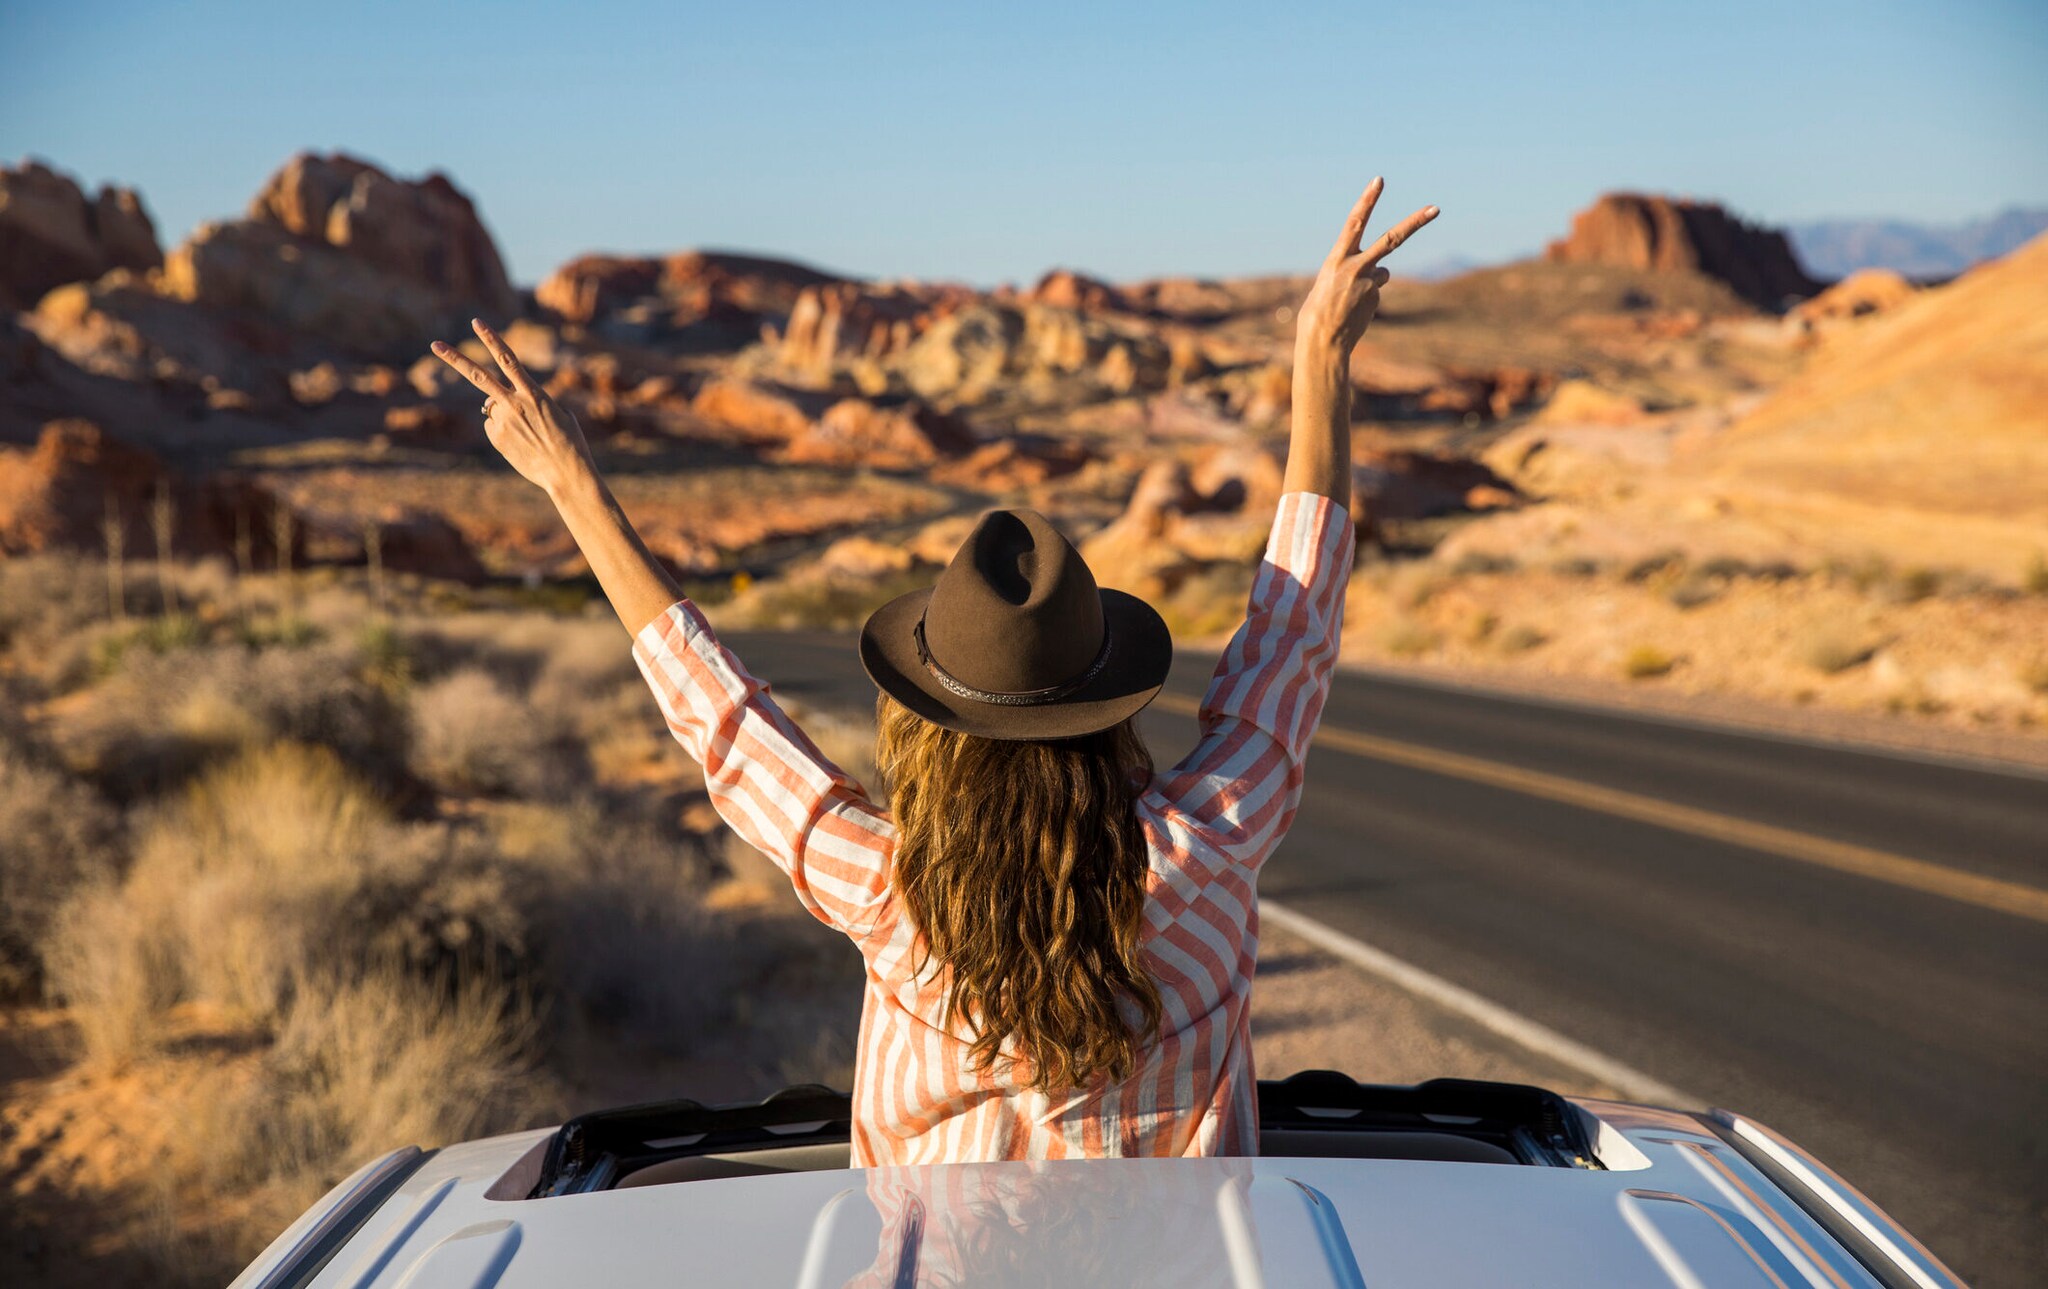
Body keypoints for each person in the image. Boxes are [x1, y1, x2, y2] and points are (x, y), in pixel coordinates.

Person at [430, 178, 1437, 1165]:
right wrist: (1317, 357)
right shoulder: (1206, 849)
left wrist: (567, 479)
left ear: (927, 721)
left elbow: (722, 716)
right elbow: (1289, 630)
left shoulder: (888, 890)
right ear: (1106, 704)